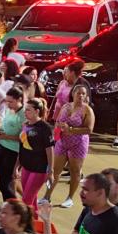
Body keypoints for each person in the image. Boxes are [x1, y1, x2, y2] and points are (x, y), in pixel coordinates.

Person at [47, 65, 94, 209]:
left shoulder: (87, 110)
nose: (80, 96)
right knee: (55, 171)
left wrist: (72, 130)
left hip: (78, 144)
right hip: (62, 142)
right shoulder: (66, 106)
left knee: (74, 171)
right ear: (73, 94)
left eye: (83, 94)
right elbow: (57, 124)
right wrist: (56, 138)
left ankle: (69, 198)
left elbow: (89, 129)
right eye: (78, 93)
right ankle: (46, 196)